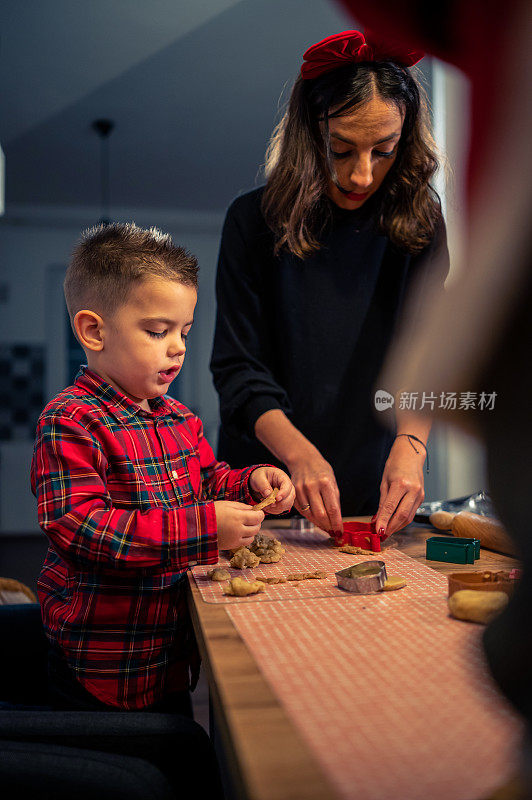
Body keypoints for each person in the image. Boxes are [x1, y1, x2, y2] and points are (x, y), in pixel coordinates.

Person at [31, 222, 294, 713]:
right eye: (157, 331)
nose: (178, 347)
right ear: (94, 330)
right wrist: (203, 527)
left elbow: (208, 482)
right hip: (104, 666)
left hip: (170, 654)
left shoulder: (181, 418)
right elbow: (84, 530)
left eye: (184, 331)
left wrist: (250, 481)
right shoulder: (69, 420)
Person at [210, 29, 449, 541]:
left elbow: (429, 349)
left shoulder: (421, 222)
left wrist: (411, 445)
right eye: (341, 149)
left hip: (369, 486)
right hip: (262, 486)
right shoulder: (252, 222)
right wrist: (299, 454)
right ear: (308, 136)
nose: (362, 176)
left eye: (383, 150)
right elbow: (238, 370)